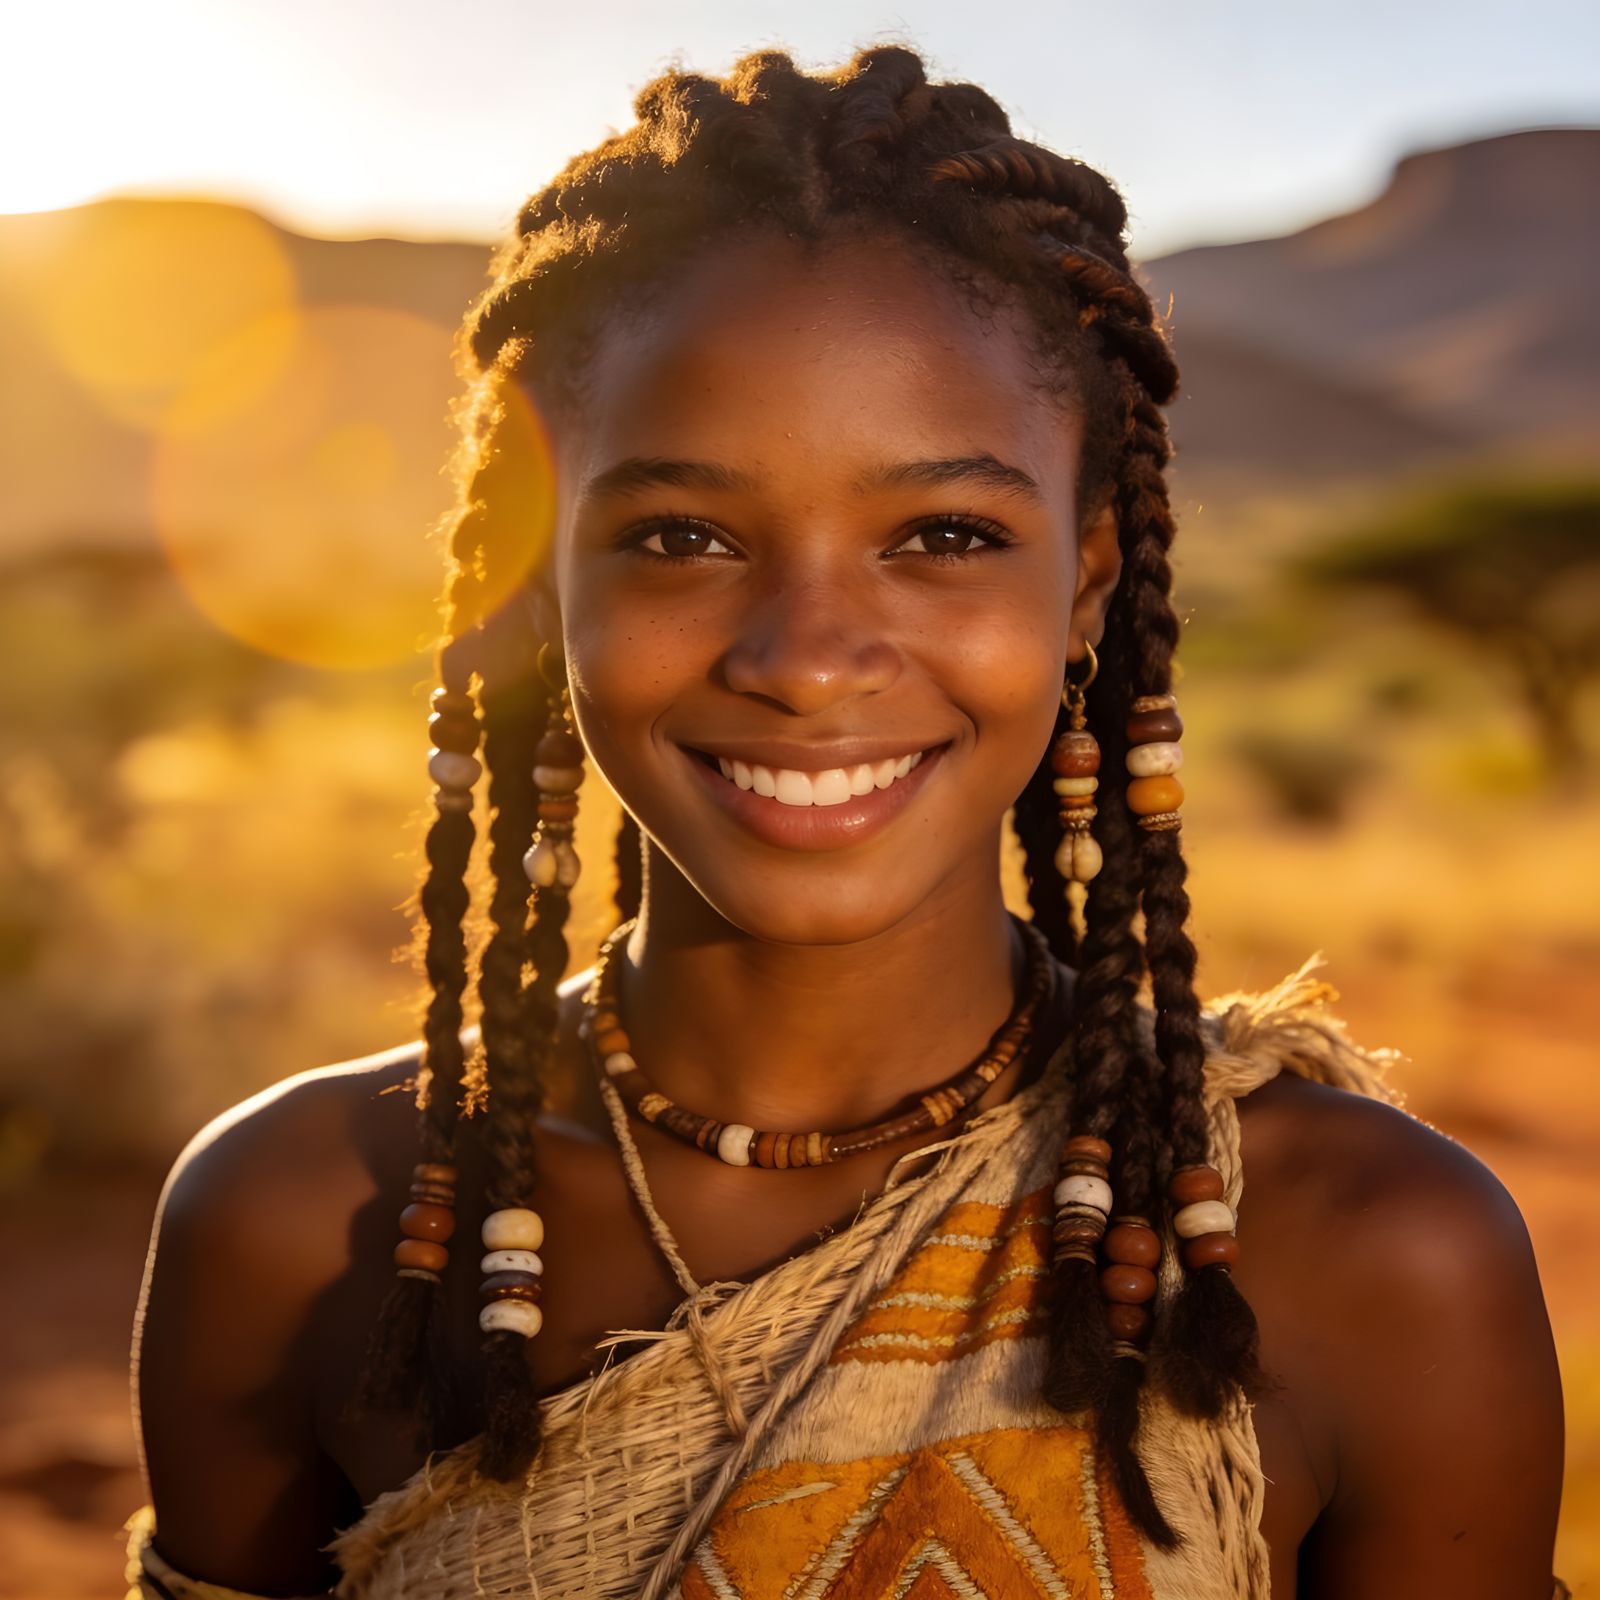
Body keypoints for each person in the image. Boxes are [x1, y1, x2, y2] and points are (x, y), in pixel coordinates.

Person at [125, 44, 1568, 1600]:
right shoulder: (304, 1230)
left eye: (944, 535)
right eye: (681, 537)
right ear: (542, 586)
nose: (808, 657)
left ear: (1085, 581)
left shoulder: (1361, 1253)